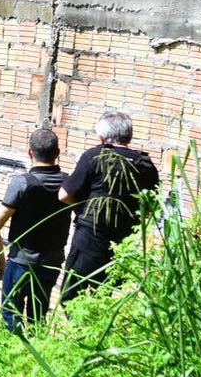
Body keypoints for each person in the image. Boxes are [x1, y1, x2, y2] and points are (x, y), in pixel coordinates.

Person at [0, 129, 72, 331]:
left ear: (30, 153)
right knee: (39, 313)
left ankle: (14, 352)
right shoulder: (68, 183)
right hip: (52, 261)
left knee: (11, 311)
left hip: (22, 261)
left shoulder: (22, 182)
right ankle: (35, 353)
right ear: (58, 152)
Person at [59, 111, 160, 301]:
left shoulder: (95, 155)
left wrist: (83, 207)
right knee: (103, 297)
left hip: (89, 238)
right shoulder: (145, 164)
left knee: (70, 297)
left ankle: (80, 330)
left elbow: (64, 195)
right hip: (123, 244)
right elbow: (150, 208)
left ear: (102, 137)